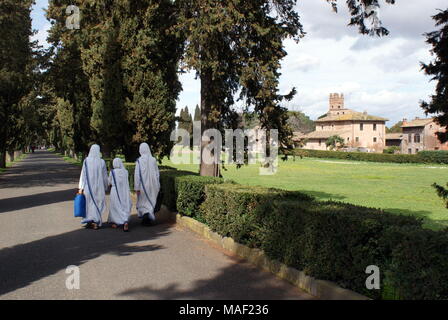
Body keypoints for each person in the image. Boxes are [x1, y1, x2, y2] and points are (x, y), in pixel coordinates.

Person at [78, 144, 108, 230]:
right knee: (97, 203)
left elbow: (83, 175)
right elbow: (104, 176)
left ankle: (90, 221)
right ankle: (95, 220)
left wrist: (81, 187)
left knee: (89, 204)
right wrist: (105, 186)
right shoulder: (101, 162)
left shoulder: (86, 161)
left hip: (88, 187)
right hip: (99, 188)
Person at [134, 143, 160, 226]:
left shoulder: (139, 161)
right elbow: (157, 173)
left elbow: (137, 175)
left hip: (142, 186)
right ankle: (148, 218)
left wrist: (137, 187)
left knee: (143, 202)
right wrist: (157, 184)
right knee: (150, 201)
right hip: (153, 185)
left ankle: (145, 218)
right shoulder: (153, 160)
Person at [108, 158, 132, 232]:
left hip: (115, 191)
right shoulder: (126, 172)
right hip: (124, 191)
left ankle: (116, 222)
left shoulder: (112, 172)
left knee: (115, 206)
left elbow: (109, 183)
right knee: (123, 205)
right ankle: (125, 220)